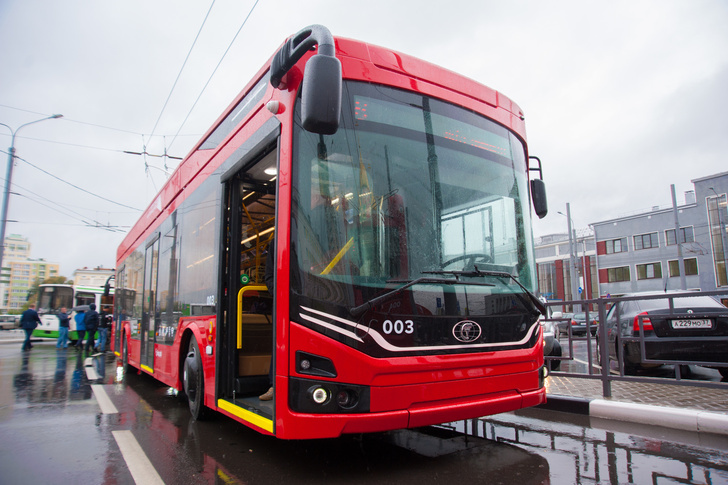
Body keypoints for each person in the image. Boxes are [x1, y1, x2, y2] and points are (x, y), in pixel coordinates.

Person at [259, 237, 275, 402]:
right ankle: (274, 386)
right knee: (280, 344)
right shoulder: (276, 242)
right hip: (285, 299)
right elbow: (269, 275)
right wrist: (278, 291)